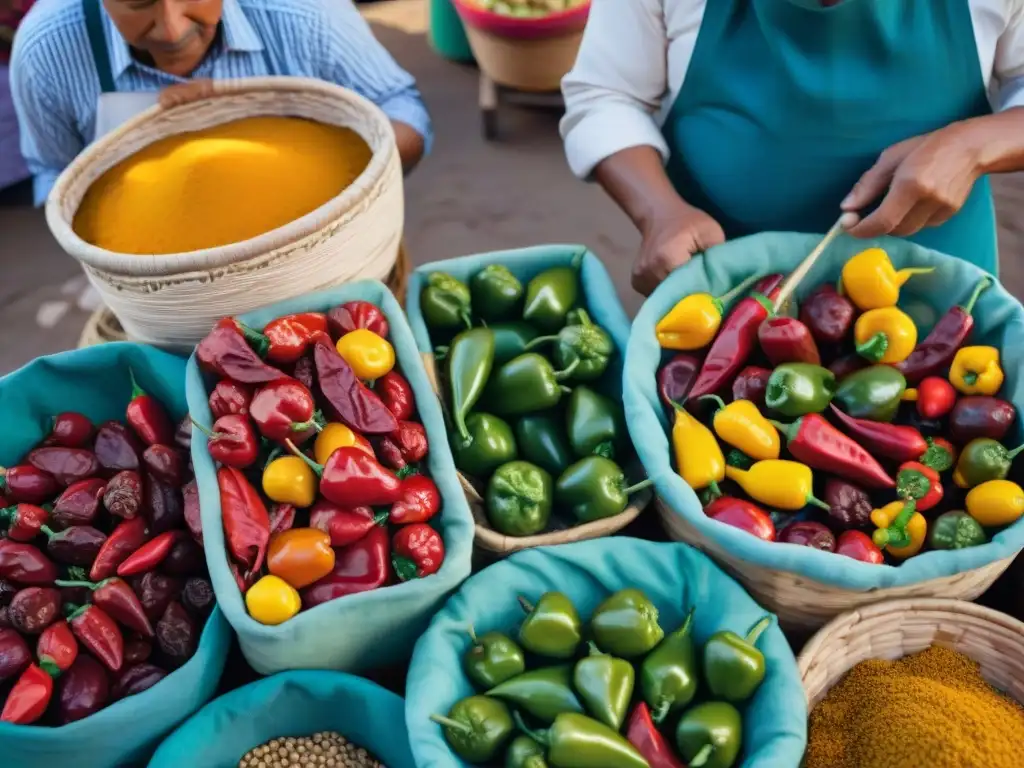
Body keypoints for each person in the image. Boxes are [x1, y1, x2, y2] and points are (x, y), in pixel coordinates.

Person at [560, 0, 1024, 295]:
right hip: (726, 290)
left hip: (934, 286)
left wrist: (972, 145)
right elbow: (605, 95)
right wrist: (659, 213)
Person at [10, 0, 431, 206]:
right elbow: (54, 174)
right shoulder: (46, 52)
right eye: (138, 1)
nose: (172, 30)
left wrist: (310, 167)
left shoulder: (306, 13)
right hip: (160, 308)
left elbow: (401, 109)